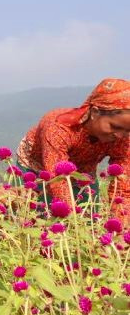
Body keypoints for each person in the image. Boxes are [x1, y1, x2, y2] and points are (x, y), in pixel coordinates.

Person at [17, 78, 129, 221]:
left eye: (128, 130)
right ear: (94, 112)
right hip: (37, 167)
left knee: (89, 221)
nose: (120, 135)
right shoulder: (59, 127)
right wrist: (72, 221)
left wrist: (121, 224)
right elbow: (57, 178)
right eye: (115, 127)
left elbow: (123, 184)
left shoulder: (123, 138)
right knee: (31, 215)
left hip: (83, 172)